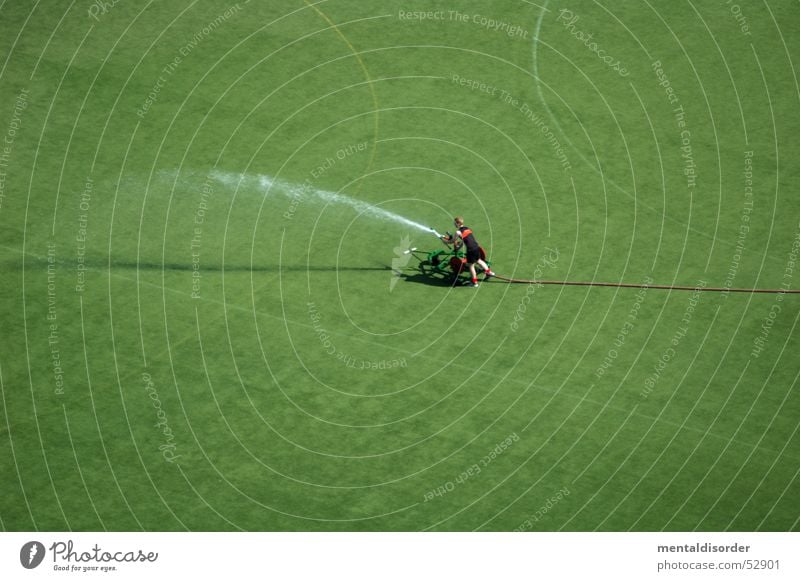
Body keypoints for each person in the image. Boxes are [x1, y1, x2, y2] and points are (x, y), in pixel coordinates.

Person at [441, 216, 495, 287]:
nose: (454, 224)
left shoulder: (458, 232)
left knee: (471, 266)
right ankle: (489, 272)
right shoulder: (467, 228)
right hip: (476, 247)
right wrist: (458, 247)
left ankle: (474, 283)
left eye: (455, 223)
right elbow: (464, 241)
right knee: (479, 260)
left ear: (458, 223)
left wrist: (444, 241)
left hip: (470, 250)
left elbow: (452, 241)